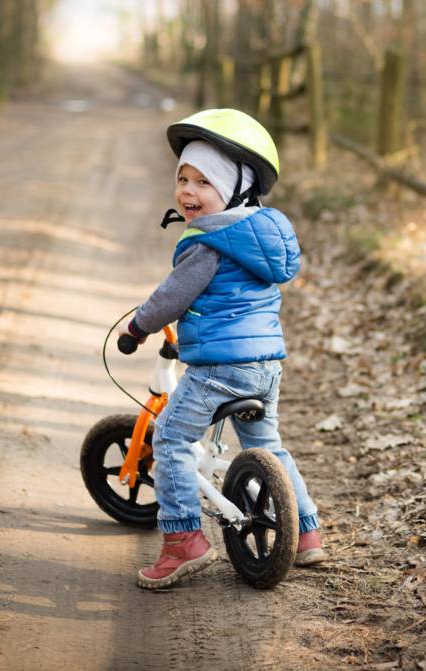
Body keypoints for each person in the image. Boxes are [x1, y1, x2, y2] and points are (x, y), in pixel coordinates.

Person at [121, 108, 325, 590]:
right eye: (183, 179)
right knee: (266, 446)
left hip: (218, 368)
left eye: (204, 182)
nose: (188, 192)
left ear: (234, 190)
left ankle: (182, 541)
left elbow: (172, 296)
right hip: (265, 367)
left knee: (170, 437)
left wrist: (138, 326)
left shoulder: (209, 241)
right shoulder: (258, 235)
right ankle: (306, 533)